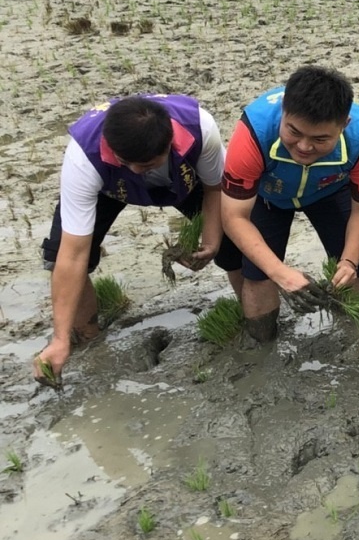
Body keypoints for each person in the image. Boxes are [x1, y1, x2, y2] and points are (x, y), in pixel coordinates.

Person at [35, 94, 242, 382]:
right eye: (127, 162)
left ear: (169, 144)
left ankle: (250, 315)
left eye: (145, 164)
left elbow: (215, 188)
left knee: (235, 241)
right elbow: (72, 255)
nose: (135, 170)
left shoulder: (200, 128)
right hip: (108, 187)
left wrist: (211, 241)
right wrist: (59, 338)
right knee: (59, 255)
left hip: (184, 179)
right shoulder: (84, 157)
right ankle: (90, 340)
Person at [221, 66, 359, 341]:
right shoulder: (253, 133)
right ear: (284, 111)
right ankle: (263, 349)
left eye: (320, 139)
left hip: (329, 189)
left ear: (343, 124)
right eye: (294, 132)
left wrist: (349, 261)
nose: (304, 147)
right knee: (258, 274)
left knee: (357, 271)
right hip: (269, 193)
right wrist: (280, 272)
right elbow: (234, 216)